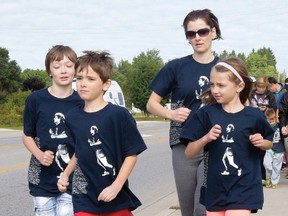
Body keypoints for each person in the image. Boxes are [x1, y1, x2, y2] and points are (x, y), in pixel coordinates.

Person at [146, 9, 222, 216]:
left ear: (213, 32)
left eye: (203, 31)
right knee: (188, 210)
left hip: (216, 143)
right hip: (184, 143)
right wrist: (171, 114)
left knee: (203, 207)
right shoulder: (176, 67)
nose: (197, 37)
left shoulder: (225, 67)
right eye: (191, 33)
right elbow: (151, 104)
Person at [57, 50, 147, 216]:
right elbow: (80, 150)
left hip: (113, 195)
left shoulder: (118, 115)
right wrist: (65, 174)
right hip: (83, 197)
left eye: (91, 79)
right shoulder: (72, 117)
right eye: (79, 78)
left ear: (106, 84)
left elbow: (131, 154)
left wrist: (116, 185)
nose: (83, 84)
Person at [180, 57, 274, 215]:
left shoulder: (255, 115)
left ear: (240, 86)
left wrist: (261, 142)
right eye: (212, 84)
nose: (215, 90)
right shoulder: (205, 114)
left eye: (221, 85)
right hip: (215, 190)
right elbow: (189, 153)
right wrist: (206, 138)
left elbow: (269, 143)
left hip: (244, 188)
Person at [23, 45, 84, 215]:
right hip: (41, 178)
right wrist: (39, 154)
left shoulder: (82, 101)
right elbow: (27, 135)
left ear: (75, 70)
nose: (63, 71)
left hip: (73, 178)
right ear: (49, 71)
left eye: (69, 66)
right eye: (57, 67)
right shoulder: (35, 100)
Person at [250, 76, 276, 184]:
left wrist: (266, 109)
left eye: (262, 87)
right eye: (258, 87)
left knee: (264, 152)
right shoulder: (251, 93)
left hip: (264, 123)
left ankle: (264, 175)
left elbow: (274, 108)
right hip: (252, 122)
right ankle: (254, 174)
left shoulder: (270, 95)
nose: (260, 89)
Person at [263, 108, 285, 189]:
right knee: (267, 164)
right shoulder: (265, 127)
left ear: (276, 117)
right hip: (270, 148)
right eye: (269, 120)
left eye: (273, 119)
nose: (272, 121)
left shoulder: (279, 125)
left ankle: (274, 181)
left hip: (279, 149)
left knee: (276, 166)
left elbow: (284, 134)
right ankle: (268, 178)